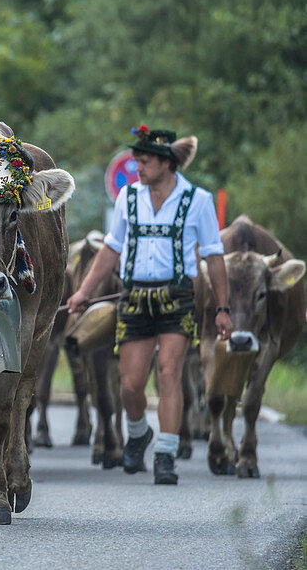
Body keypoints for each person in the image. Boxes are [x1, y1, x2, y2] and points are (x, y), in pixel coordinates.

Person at [66, 125, 231, 485]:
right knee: (129, 385)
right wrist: (84, 292)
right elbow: (111, 248)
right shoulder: (128, 197)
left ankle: (166, 455)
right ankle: (139, 432)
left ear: (166, 163)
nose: (136, 167)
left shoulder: (197, 200)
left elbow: (215, 257)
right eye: (136, 160)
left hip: (178, 298)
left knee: (169, 374)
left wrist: (222, 308)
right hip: (135, 297)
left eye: (143, 161)